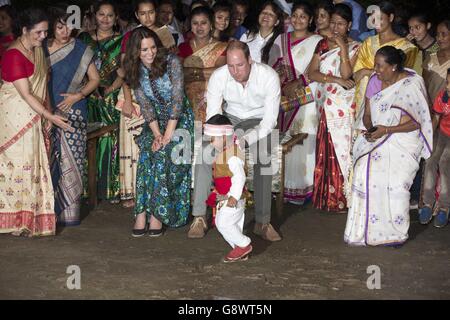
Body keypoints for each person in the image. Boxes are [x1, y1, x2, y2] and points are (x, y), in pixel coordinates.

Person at [188, 40, 282, 242]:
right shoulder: (220, 76)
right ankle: (199, 217)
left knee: (263, 157)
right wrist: (222, 137)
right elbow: (214, 113)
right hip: (229, 120)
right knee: (205, 152)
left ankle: (262, 222)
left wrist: (244, 140)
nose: (235, 71)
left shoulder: (268, 76)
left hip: (259, 121)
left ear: (250, 60)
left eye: (240, 65)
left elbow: (269, 120)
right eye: (231, 66)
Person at [344, 46, 432, 246]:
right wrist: (371, 129)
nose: (376, 70)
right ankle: (367, 231)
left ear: (393, 67)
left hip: (404, 138)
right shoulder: (375, 81)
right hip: (379, 135)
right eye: (375, 64)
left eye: (380, 66)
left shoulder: (411, 84)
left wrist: (386, 130)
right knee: (362, 169)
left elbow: (417, 122)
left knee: (395, 181)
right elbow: (367, 115)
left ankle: (395, 233)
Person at [0, 8, 71, 237]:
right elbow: (26, 95)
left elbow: (43, 87)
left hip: (35, 114)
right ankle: (12, 219)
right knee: (17, 165)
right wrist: (49, 116)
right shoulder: (12, 55)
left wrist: (48, 112)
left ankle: (28, 219)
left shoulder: (38, 52)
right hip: (14, 118)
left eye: (45, 32)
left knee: (33, 164)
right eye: (39, 32)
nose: (43, 37)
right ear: (24, 30)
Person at [123, 27, 194, 237]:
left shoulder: (171, 62)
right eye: (144, 49)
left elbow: (178, 98)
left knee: (164, 153)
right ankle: (141, 213)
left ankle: (158, 214)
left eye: (152, 47)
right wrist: (156, 134)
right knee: (147, 152)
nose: (150, 53)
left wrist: (168, 134)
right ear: (136, 51)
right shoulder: (133, 69)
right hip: (155, 122)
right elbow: (145, 105)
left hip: (180, 119)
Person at [45, 5, 100, 226]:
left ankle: (68, 213)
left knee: (71, 159)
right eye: (59, 27)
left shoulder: (81, 49)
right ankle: (47, 212)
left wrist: (77, 96)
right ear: (51, 28)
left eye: (68, 26)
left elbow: (95, 79)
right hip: (46, 110)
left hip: (74, 110)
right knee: (47, 159)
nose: (65, 31)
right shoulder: (41, 49)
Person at [307, 3, 361, 212]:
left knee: (344, 150)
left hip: (345, 107)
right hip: (327, 105)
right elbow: (312, 73)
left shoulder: (357, 46)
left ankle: (345, 197)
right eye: (333, 23)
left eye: (340, 24)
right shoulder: (322, 45)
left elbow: (348, 74)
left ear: (349, 25)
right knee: (327, 150)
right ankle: (327, 198)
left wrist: (344, 49)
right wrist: (335, 79)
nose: (336, 28)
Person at [268, 1, 323, 204]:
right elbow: (271, 66)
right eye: (295, 15)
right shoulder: (281, 39)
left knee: (302, 139)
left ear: (310, 20)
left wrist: (298, 84)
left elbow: (317, 70)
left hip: (305, 99)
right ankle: (279, 186)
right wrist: (280, 78)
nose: (298, 20)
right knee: (281, 140)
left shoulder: (318, 41)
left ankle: (299, 188)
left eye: (303, 16)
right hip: (281, 97)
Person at [78, 1, 124, 203]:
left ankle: (109, 189)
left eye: (110, 15)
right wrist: (89, 86)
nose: (105, 19)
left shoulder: (122, 41)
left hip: (111, 96)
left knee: (110, 137)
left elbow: (126, 71)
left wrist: (110, 89)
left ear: (116, 18)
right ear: (94, 16)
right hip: (87, 95)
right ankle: (86, 190)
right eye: (101, 15)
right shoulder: (83, 39)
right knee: (86, 138)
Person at [353, 1, 422, 119]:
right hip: (365, 104)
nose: (376, 23)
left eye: (380, 18)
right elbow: (356, 75)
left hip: (392, 104)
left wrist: (367, 71)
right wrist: (366, 71)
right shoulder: (368, 43)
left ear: (390, 17)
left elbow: (403, 78)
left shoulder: (407, 48)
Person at [204, 114, 252, 263]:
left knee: (223, 223)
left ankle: (244, 244)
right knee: (229, 224)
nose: (211, 143)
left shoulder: (232, 156)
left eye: (213, 139)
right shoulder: (226, 152)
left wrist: (234, 197)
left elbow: (240, 177)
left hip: (233, 198)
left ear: (224, 137)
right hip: (227, 197)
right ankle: (239, 248)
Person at [178, 6, 227, 124]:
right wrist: (206, 71)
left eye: (203, 23)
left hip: (212, 101)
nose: (199, 27)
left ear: (211, 25)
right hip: (187, 102)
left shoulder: (221, 47)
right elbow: (179, 73)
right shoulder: (183, 47)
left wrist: (190, 72)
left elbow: (219, 73)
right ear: (190, 25)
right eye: (195, 23)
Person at [419, 69, 450, 228]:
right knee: (430, 161)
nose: (449, 86)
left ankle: (444, 206)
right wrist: (428, 137)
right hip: (442, 133)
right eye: (448, 82)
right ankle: (428, 204)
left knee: (445, 163)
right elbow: (437, 118)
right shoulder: (443, 95)